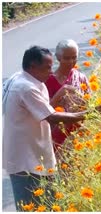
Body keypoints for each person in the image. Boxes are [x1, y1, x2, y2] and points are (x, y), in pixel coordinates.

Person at [2, 46, 87, 210]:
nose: (51, 71)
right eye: (47, 67)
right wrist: (88, 114)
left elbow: (42, 109)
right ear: (33, 66)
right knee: (30, 206)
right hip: (25, 159)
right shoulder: (25, 87)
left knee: (50, 202)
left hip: (33, 153)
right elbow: (52, 117)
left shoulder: (20, 78)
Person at [45, 39, 90, 154]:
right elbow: (44, 111)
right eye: (66, 58)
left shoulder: (81, 78)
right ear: (58, 58)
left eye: (74, 57)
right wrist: (60, 93)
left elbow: (90, 104)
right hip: (56, 135)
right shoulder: (48, 81)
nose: (71, 61)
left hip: (78, 133)